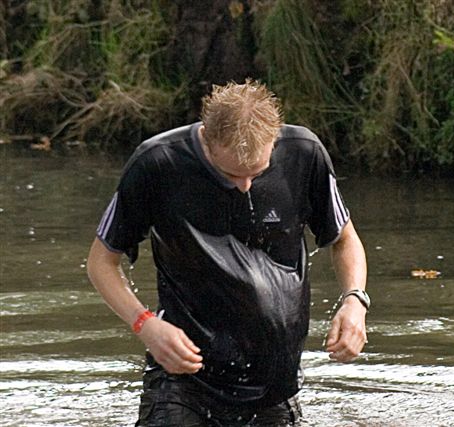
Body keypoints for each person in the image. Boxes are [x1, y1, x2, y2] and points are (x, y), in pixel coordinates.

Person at [86, 79, 369, 426]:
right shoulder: (157, 164)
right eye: (231, 173)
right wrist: (145, 324)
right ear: (207, 136)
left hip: (274, 385)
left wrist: (355, 300)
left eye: (257, 172)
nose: (245, 186)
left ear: (275, 139)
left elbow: (344, 239)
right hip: (183, 380)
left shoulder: (304, 153)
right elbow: (101, 262)